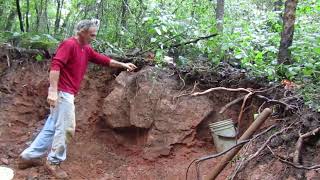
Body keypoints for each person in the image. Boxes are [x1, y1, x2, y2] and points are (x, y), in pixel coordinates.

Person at [18, 19, 137, 179]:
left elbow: (104, 60)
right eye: (92, 35)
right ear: (82, 32)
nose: (94, 37)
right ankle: (53, 162)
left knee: (52, 126)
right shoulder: (69, 44)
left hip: (66, 93)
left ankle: (29, 157)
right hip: (62, 92)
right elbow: (56, 66)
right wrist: (53, 91)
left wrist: (123, 64)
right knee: (67, 127)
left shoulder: (85, 48)